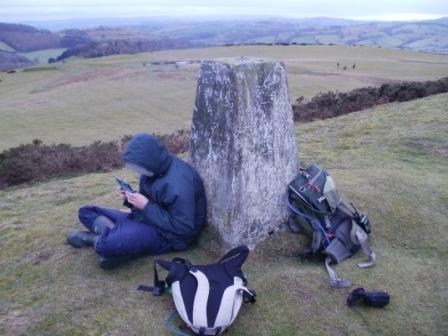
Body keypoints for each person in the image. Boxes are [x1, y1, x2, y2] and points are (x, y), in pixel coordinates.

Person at [66, 133, 207, 269]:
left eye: (138, 166)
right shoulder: (153, 169)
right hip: (145, 218)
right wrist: (131, 198)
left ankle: (96, 240)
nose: (137, 170)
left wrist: (145, 206)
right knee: (86, 211)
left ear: (149, 159)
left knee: (108, 244)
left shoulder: (179, 184)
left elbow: (183, 228)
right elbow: (150, 200)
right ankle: (118, 242)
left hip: (170, 236)